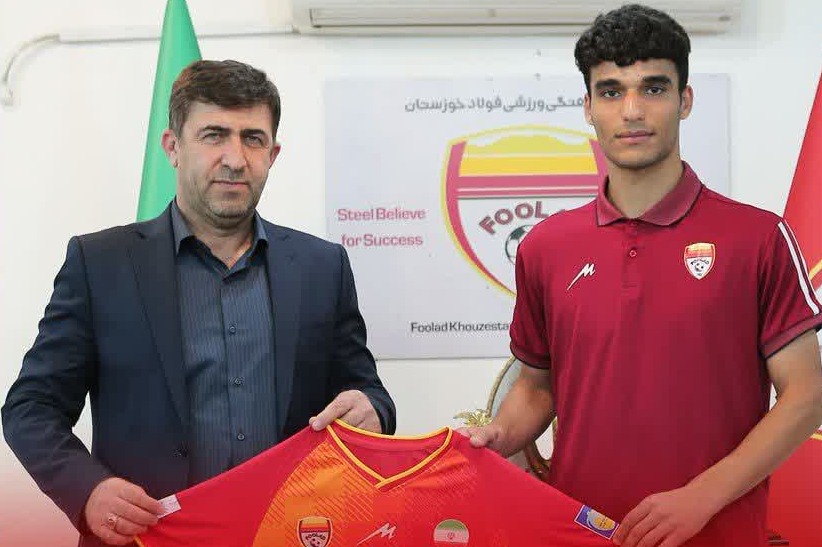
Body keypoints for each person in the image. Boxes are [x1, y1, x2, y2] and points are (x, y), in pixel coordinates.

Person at [461, 5, 822, 547]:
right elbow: (537, 387)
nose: (632, 110)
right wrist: (497, 434)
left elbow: (806, 397)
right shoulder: (544, 247)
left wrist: (701, 498)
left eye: (653, 88)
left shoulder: (760, 238)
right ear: (588, 107)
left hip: (718, 535)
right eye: (611, 92)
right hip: (581, 534)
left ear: (685, 100)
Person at [2, 59, 395, 547]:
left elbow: (366, 391)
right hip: (148, 538)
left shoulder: (322, 267)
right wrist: (88, 490)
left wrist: (373, 409)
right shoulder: (100, 264)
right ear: (173, 146)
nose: (235, 158)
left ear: (273, 153)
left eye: (253, 139)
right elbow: (31, 408)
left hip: (289, 534)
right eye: (214, 135)